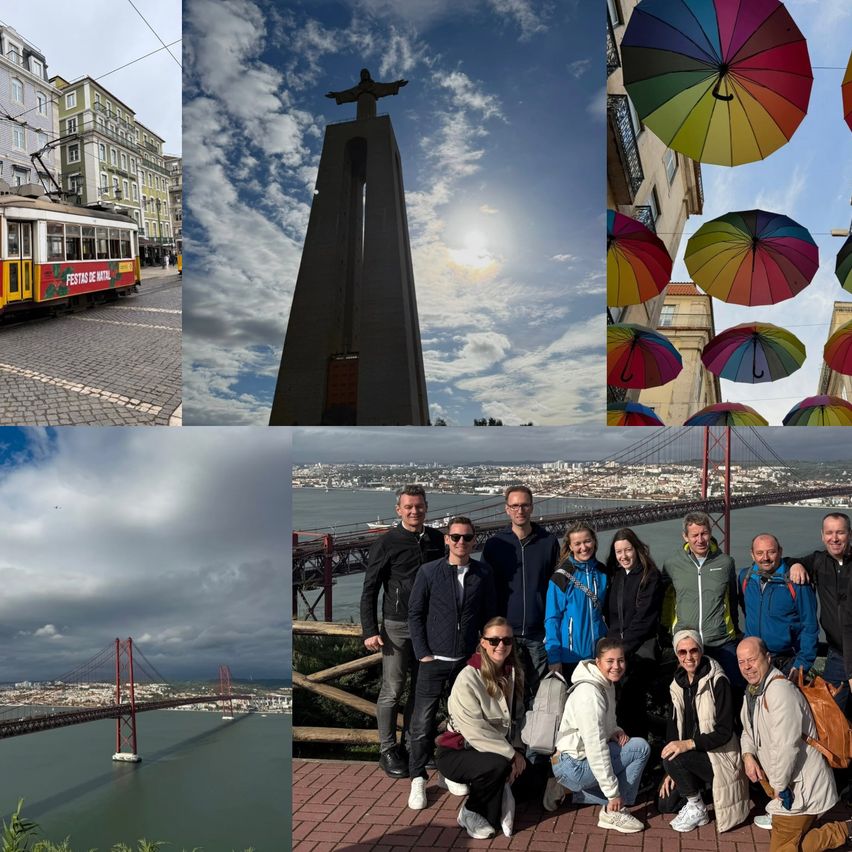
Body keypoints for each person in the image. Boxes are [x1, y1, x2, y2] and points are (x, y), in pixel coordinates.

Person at [406, 516, 496, 809]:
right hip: (433, 660)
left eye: (467, 537)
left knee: (462, 721)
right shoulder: (429, 572)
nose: (461, 542)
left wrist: (481, 654)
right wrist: (423, 653)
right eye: (455, 537)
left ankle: (450, 771)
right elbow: (415, 614)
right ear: (446, 539)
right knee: (422, 722)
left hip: (466, 663)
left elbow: (489, 616)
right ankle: (417, 777)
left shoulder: (483, 573)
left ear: (474, 540)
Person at [359, 485, 446, 778]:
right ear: (398, 510)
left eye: (419, 506)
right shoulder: (386, 542)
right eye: (408, 507)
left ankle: (413, 746)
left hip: (428, 625)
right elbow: (370, 588)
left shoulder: (437, 539)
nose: (414, 511)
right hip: (396, 625)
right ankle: (387, 749)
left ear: (426, 508)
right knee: (393, 689)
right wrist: (369, 630)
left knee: (421, 692)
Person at [738, 636, 851, 851]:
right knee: (799, 845)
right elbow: (747, 730)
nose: (747, 667)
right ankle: (842, 830)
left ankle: (843, 831)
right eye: (741, 662)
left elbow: (786, 747)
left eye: (752, 659)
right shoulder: (752, 692)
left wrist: (779, 788)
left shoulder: (780, 692)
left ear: (768, 657)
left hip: (799, 787)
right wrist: (748, 756)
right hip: (782, 782)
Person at [435, 617, 535, 839]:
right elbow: (475, 730)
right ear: (483, 642)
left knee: (531, 779)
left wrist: (518, 750)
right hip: (460, 750)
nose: (501, 645)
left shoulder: (512, 673)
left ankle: (494, 796)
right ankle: (471, 811)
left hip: (496, 749)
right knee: (497, 767)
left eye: (507, 640)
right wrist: (511, 756)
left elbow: (518, 718)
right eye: (494, 640)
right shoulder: (468, 678)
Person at [544, 638, 649, 833]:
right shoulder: (589, 694)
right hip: (573, 763)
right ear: (597, 662)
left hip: (576, 759)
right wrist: (613, 793)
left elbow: (605, 721)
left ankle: (568, 791)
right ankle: (612, 811)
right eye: (610, 661)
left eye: (620, 660)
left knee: (636, 748)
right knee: (639, 749)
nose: (616, 666)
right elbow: (596, 748)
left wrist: (615, 730)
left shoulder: (604, 682)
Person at [658, 630, 750, 833]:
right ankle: (700, 794)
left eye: (693, 651)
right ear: (676, 654)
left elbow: (725, 732)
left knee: (675, 759)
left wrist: (687, 745)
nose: (688, 657)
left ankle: (698, 807)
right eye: (682, 652)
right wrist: (670, 772)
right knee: (665, 805)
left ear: (701, 650)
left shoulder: (718, 680)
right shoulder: (677, 683)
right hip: (692, 756)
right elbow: (673, 729)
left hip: (719, 756)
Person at [482, 485, 559, 699]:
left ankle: (534, 734)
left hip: (539, 633)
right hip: (505, 637)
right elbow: (486, 590)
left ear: (532, 507)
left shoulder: (549, 541)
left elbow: (557, 587)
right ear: (507, 509)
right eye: (514, 506)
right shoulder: (495, 544)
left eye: (524, 505)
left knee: (540, 696)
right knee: (505, 695)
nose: (520, 510)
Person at [661, 512, 742, 691]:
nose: (700, 539)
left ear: (711, 532)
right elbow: (665, 601)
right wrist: (667, 632)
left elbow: (733, 600)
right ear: (685, 536)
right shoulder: (672, 564)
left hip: (721, 641)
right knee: (687, 696)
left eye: (704, 533)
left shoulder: (726, 563)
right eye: (694, 535)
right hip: (686, 645)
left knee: (732, 692)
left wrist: (734, 630)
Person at [789, 513, 852, 711]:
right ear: (822, 536)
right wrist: (796, 565)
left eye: (840, 532)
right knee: (829, 713)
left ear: (849, 534)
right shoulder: (818, 561)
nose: (834, 538)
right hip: (837, 656)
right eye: (829, 533)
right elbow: (788, 560)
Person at [604, 528, 662, 737]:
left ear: (637, 549)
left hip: (638, 650)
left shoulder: (650, 575)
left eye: (627, 550)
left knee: (631, 703)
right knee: (612, 705)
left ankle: (638, 754)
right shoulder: (615, 575)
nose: (624, 556)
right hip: (616, 650)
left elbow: (644, 620)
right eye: (619, 552)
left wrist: (620, 650)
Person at [738, 534, 818, 677]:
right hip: (754, 659)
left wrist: (802, 664)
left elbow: (810, 625)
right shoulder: (745, 578)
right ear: (752, 554)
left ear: (780, 552)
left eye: (771, 552)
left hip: (787, 662)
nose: (766, 558)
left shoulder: (796, 581)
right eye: (759, 553)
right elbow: (748, 611)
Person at [544, 521, 608, 681]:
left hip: (600, 656)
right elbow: (552, 619)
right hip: (570, 656)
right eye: (577, 543)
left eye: (587, 541)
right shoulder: (560, 577)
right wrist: (554, 657)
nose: (584, 547)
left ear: (594, 541)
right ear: (570, 547)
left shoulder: (603, 572)